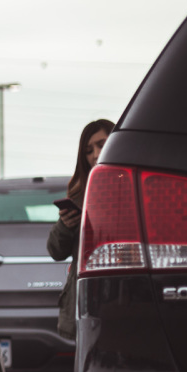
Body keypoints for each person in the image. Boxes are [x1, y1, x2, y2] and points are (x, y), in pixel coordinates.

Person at [47, 119, 114, 339]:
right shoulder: (79, 194)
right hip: (85, 300)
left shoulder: (131, 187)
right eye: (88, 150)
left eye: (102, 145)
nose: (96, 154)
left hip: (121, 295)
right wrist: (66, 225)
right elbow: (56, 251)